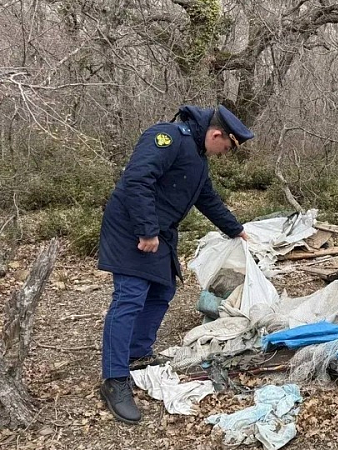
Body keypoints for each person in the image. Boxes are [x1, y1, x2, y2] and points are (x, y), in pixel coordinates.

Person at [97, 105, 253, 424]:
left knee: (161, 292)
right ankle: (114, 380)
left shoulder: (197, 156)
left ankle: (137, 353)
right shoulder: (167, 137)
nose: (224, 154)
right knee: (129, 297)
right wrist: (146, 230)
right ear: (216, 134)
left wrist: (236, 229)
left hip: (159, 232)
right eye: (226, 147)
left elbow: (206, 198)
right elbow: (137, 181)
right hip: (133, 228)